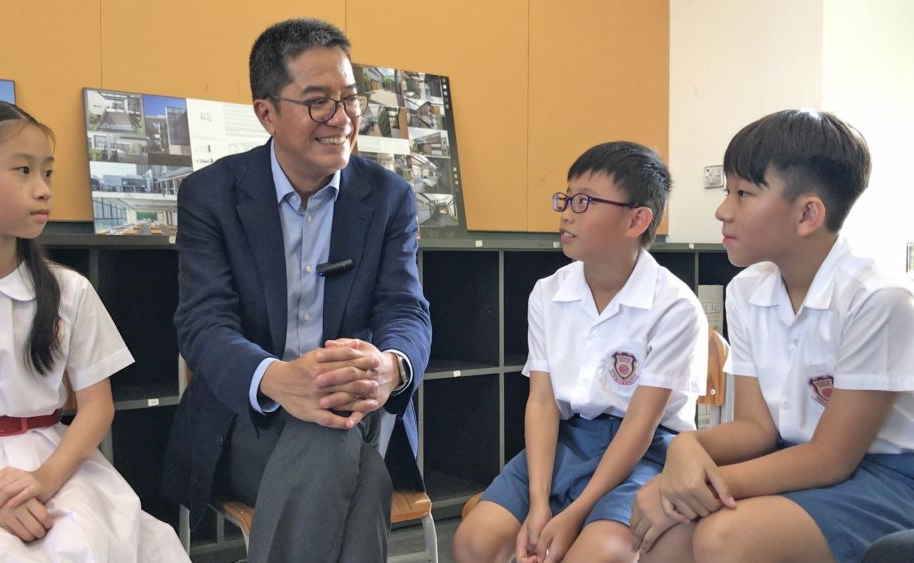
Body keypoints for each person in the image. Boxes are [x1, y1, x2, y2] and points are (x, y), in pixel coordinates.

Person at [161, 18, 431, 563]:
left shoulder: (388, 197)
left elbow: (406, 310)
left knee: (334, 433)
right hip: (248, 418)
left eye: (350, 99)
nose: (342, 118)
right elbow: (203, 324)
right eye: (318, 102)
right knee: (355, 469)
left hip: (355, 411)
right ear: (266, 113)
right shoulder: (211, 195)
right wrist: (279, 380)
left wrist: (390, 366)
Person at [630, 110, 914, 563]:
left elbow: (831, 458)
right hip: (790, 458)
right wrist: (687, 445)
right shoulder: (747, 289)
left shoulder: (877, 298)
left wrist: (691, 487)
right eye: (726, 191)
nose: (723, 210)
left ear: (807, 214)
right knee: (665, 541)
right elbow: (756, 429)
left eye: (743, 194)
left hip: (885, 476)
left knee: (722, 536)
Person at [0, 98, 188, 561]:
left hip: (55, 466)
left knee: (82, 540)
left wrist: (42, 481)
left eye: (47, 172)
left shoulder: (67, 290)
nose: (43, 190)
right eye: (23, 171)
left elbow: (97, 407)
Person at [453, 141, 708, 563]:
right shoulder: (548, 292)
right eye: (566, 198)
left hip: (646, 451)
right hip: (568, 439)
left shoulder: (674, 306)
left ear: (637, 219)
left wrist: (574, 513)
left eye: (585, 201)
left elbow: (641, 425)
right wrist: (539, 504)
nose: (567, 213)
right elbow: (542, 402)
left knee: (597, 554)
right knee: (473, 542)